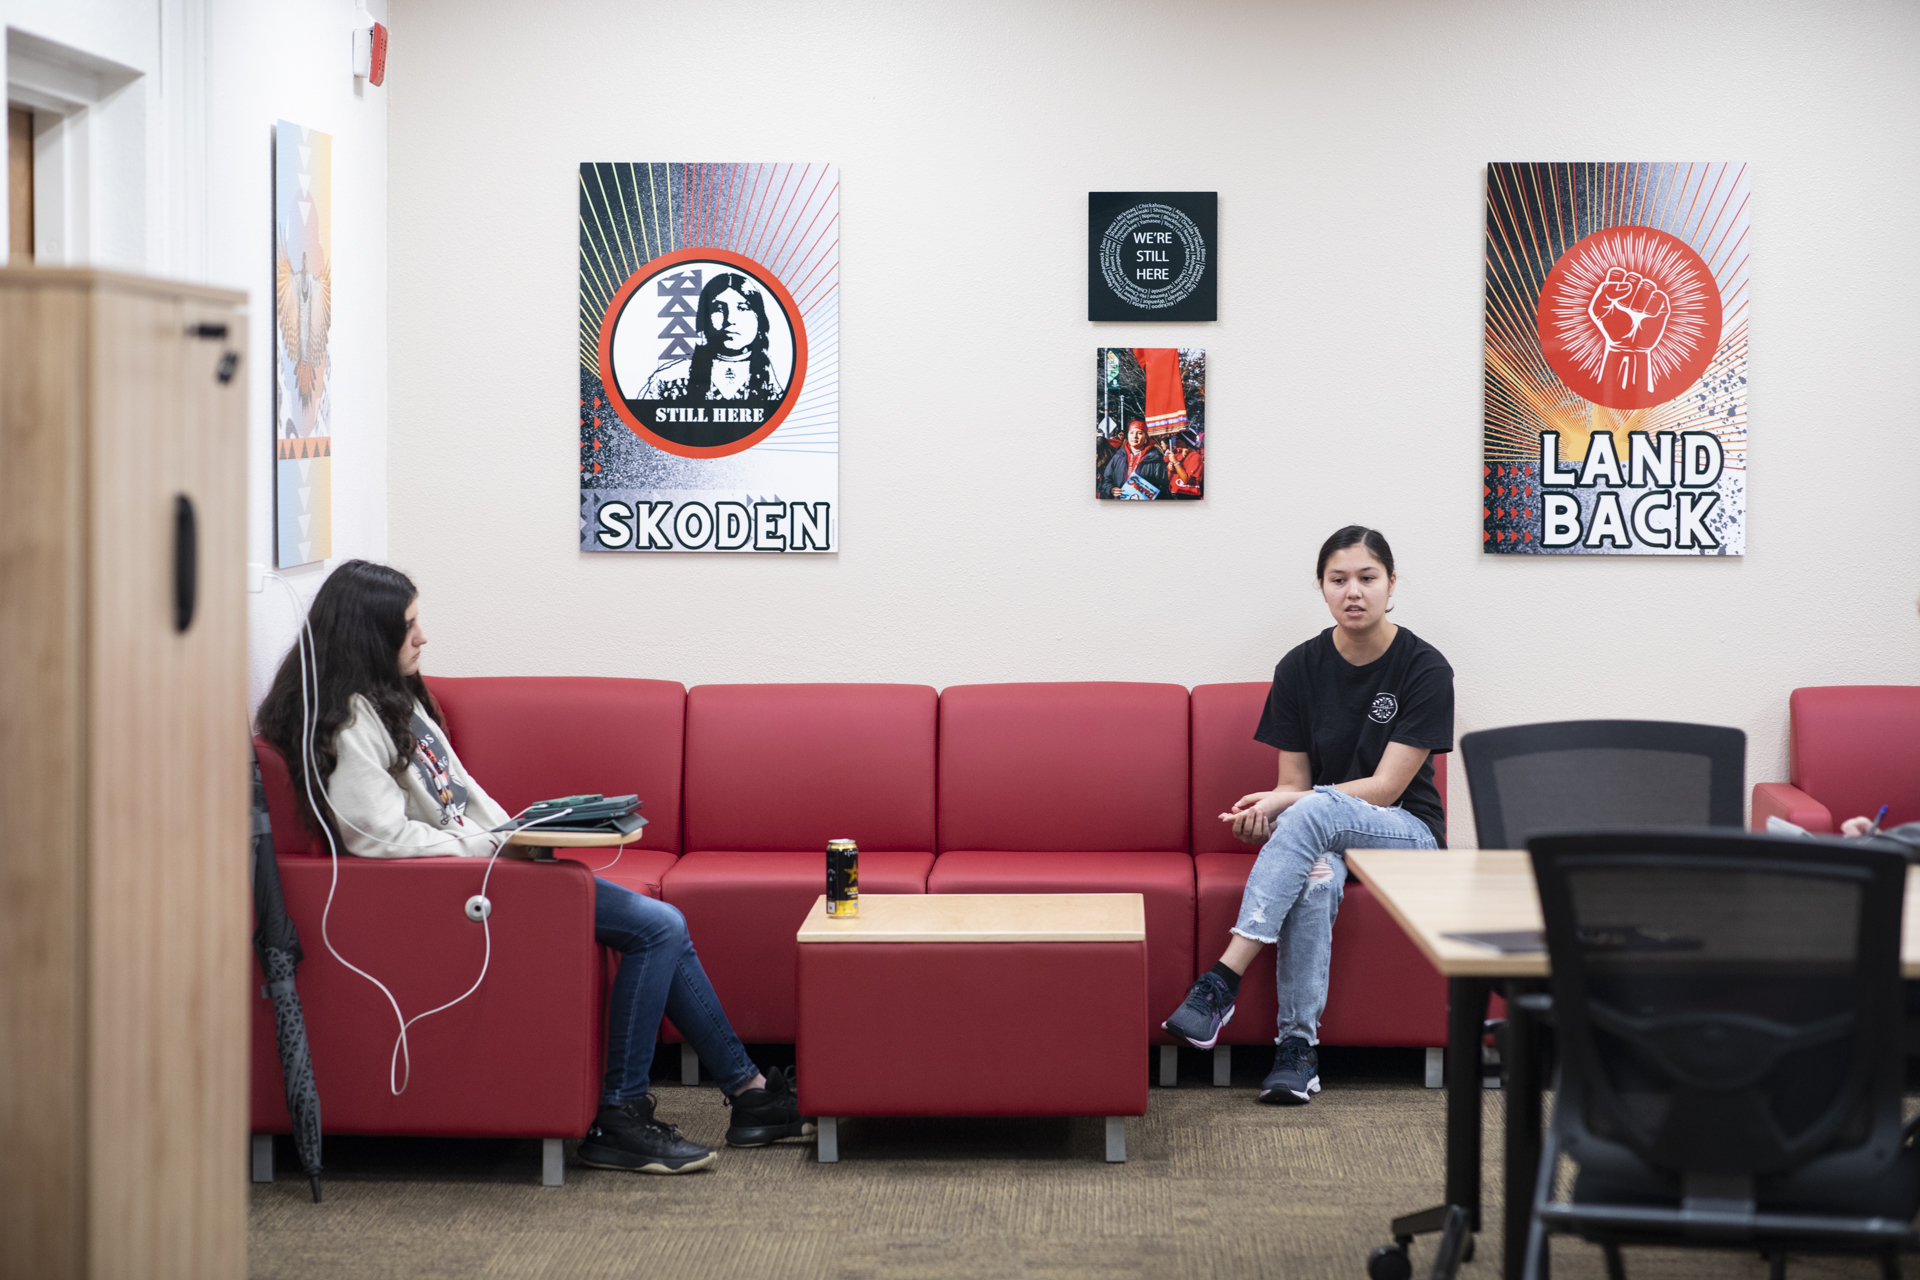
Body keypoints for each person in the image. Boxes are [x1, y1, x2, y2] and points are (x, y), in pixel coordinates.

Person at [256, 560, 810, 1175]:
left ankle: (751, 1095)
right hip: (457, 889)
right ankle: (623, 1115)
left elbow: (462, 794)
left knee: (662, 924)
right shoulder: (353, 721)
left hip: (486, 867)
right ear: (366, 635)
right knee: (659, 927)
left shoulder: (398, 700)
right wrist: (492, 851)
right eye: (408, 626)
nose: (423, 638)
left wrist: (523, 833)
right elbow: (378, 840)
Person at [1162, 526, 1454, 1104]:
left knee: (1315, 810)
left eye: (1367, 578)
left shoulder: (1424, 668)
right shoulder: (1299, 667)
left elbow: (1388, 789)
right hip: (1325, 830)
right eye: (1338, 579)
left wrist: (1287, 804)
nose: (1354, 591)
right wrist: (1277, 810)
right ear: (1321, 588)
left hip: (1404, 832)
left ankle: (1222, 979)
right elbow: (1293, 785)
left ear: (1391, 584)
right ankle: (1298, 1052)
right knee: (1316, 876)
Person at [639, 271, 785, 405]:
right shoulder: (669, 380)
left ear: (759, 320)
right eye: (719, 309)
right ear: (703, 319)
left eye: (742, 308)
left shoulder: (772, 384)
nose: (730, 319)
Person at [1101, 420, 1168, 499]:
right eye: (1131, 433)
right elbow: (1106, 480)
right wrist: (1111, 489)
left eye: (1139, 433)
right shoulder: (1119, 456)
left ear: (1146, 436)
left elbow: (1162, 485)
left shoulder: (1155, 458)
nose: (1134, 436)